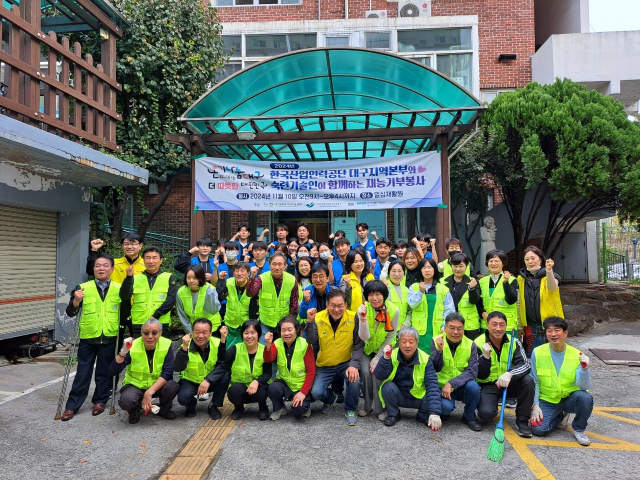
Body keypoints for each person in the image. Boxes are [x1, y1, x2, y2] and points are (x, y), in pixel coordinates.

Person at [60, 253, 129, 421]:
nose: (101, 268)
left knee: (104, 372)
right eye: (98, 265)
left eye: (105, 265)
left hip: (109, 336)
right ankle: (72, 405)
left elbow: (126, 311)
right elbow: (70, 312)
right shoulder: (83, 287)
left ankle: (100, 400)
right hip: (88, 336)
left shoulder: (119, 288)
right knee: (83, 373)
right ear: (93, 269)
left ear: (112, 269)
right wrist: (76, 300)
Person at [530, 317, 593, 446]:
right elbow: (535, 381)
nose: (553, 334)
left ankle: (579, 429)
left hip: (570, 398)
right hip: (548, 399)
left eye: (557, 330)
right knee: (538, 429)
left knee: (585, 398)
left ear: (565, 333)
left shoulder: (577, 354)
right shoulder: (537, 352)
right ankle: (559, 416)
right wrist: (535, 405)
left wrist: (585, 369)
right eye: (549, 331)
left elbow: (584, 386)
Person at [306, 290, 364, 426]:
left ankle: (350, 409)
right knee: (316, 392)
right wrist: (309, 322)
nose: (336, 309)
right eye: (333, 305)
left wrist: (354, 365)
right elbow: (310, 340)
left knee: (355, 380)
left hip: (346, 363)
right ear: (327, 304)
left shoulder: (353, 317)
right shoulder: (318, 317)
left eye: (340, 305)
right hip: (325, 364)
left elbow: (359, 344)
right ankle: (330, 397)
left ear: (346, 305)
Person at [475, 312, 534, 438]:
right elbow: (479, 374)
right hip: (488, 384)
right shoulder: (478, 343)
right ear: (487, 324)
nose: (498, 328)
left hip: (508, 383)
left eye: (502, 325)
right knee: (485, 415)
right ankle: (489, 403)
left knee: (528, 381)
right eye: (494, 324)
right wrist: (485, 357)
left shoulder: (514, 342)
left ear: (506, 326)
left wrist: (509, 374)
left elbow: (525, 365)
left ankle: (522, 421)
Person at [109, 319, 179, 424]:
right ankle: (135, 410)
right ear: (141, 333)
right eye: (146, 333)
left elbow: (167, 372)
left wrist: (149, 392)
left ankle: (162, 409)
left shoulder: (166, 344)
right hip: (135, 385)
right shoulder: (132, 346)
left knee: (172, 386)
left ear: (161, 333)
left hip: (156, 386)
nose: (150, 336)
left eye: (154, 333)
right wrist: (123, 352)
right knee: (126, 400)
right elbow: (113, 372)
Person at [374, 328, 442, 430]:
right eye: (404, 341)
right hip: (399, 395)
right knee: (387, 387)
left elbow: (432, 384)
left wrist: (435, 413)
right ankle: (393, 414)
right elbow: (379, 375)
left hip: (418, 397)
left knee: (433, 391)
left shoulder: (425, 358)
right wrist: (385, 359)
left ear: (417, 343)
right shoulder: (391, 354)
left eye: (411, 342)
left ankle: (423, 415)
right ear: (399, 342)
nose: (407, 345)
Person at [86, 233, 145, 341]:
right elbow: (91, 270)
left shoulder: (146, 265)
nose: (129, 247)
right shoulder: (114, 264)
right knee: (115, 343)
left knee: (139, 343)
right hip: (116, 308)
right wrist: (94, 251)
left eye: (133, 244)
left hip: (139, 310)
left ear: (140, 246)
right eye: (126, 244)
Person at [431, 313, 481, 431]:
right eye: (452, 328)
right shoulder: (436, 340)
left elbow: (472, 371)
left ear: (464, 329)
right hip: (442, 387)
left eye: (459, 329)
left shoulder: (470, 344)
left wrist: (451, 383)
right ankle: (445, 411)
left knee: (474, 387)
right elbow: (434, 367)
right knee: (445, 408)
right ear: (445, 328)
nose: (455, 332)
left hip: (461, 386)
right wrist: (439, 351)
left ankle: (469, 416)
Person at [356, 281, 399, 420]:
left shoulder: (393, 310)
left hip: (383, 349)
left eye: (378, 294)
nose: (374, 298)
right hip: (366, 349)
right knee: (365, 373)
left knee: (378, 373)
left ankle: (381, 408)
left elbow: (391, 336)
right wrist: (362, 319)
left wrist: (378, 357)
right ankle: (367, 406)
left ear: (384, 295)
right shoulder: (363, 308)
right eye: (371, 294)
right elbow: (364, 337)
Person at [174, 319, 229, 418]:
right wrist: (184, 349)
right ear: (192, 332)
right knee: (183, 398)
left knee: (225, 376)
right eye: (197, 332)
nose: (200, 336)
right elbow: (178, 367)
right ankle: (190, 406)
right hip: (191, 381)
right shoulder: (185, 346)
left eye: (204, 332)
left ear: (211, 333)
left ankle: (213, 405)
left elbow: (223, 364)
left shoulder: (218, 343)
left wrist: (208, 380)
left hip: (210, 381)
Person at [264, 316, 316, 420]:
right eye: (283, 330)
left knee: (299, 410)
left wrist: (303, 392)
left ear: (296, 330)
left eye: (289, 330)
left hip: (301, 385)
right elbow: (268, 359)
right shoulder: (277, 343)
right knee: (272, 388)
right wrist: (268, 345)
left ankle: (305, 406)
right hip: (285, 382)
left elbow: (311, 370)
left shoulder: (304, 344)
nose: (286, 333)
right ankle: (279, 408)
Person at [120, 246, 177, 338]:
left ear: (161, 260)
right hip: (139, 323)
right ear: (143, 260)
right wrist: (129, 278)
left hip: (161, 323)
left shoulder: (168, 277)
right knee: (139, 351)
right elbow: (124, 296)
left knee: (161, 351)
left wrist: (156, 315)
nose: (151, 261)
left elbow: (172, 299)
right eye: (148, 258)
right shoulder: (135, 278)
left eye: (154, 258)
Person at [517, 246, 563, 355]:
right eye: (527, 259)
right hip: (529, 325)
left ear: (540, 259)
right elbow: (519, 303)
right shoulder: (521, 278)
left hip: (549, 324)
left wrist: (549, 271)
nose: (530, 261)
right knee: (532, 356)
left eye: (533, 258)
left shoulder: (551, 275)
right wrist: (519, 325)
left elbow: (552, 287)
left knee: (549, 354)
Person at [246, 252, 299, 343]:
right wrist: (252, 277)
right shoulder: (261, 278)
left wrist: (290, 322)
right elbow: (250, 293)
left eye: (280, 264)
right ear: (269, 265)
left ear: (285, 266)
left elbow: (294, 303)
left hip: (284, 323)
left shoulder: (292, 280)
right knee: (263, 349)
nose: (277, 267)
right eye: (274, 264)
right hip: (266, 322)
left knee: (285, 350)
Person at [225, 319, 272, 420]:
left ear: (258, 334)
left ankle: (263, 408)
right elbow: (222, 358)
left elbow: (268, 373)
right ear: (242, 335)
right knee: (234, 391)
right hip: (240, 387)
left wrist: (257, 381)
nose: (249, 336)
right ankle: (238, 408)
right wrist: (222, 340)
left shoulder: (264, 350)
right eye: (246, 333)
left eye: (253, 333)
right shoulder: (235, 349)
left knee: (263, 390)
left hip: (258, 388)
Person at [407, 258, 455, 353]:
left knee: (436, 357)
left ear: (434, 270)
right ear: (420, 270)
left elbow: (450, 311)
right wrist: (420, 292)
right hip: (418, 332)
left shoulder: (443, 289)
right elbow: (412, 304)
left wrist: (444, 327)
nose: (427, 270)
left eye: (429, 267)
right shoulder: (414, 287)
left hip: (438, 331)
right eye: (424, 268)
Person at [441, 253, 482, 340]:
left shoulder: (473, 281)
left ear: (466, 266)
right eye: (455, 266)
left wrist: (472, 289)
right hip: (449, 323)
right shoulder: (442, 282)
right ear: (451, 266)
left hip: (469, 325)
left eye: (461, 266)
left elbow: (475, 301)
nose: (458, 269)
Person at [216, 261, 257, 348]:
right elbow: (220, 297)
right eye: (236, 271)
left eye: (242, 271)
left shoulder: (253, 284)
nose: (239, 273)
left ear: (248, 273)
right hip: (230, 325)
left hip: (246, 326)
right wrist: (221, 280)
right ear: (233, 272)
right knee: (228, 351)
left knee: (245, 351)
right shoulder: (228, 282)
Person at [479, 249, 518, 332]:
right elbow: (478, 301)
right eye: (491, 261)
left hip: (506, 325)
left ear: (503, 263)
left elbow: (511, 300)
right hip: (487, 325)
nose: (493, 264)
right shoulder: (482, 281)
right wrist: (482, 312)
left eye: (497, 261)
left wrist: (505, 283)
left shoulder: (512, 280)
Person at [176, 265, 221, 334]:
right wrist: (190, 332)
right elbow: (182, 315)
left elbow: (213, 310)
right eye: (188, 278)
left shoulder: (210, 289)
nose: (191, 281)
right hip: (194, 329)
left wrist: (209, 296)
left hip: (212, 328)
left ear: (200, 278)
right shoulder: (181, 292)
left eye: (194, 278)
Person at [385, 261, 411, 328]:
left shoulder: (406, 290)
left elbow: (410, 311)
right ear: (389, 273)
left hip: (402, 331)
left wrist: (405, 324)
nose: (397, 274)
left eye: (400, 271)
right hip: (388, 329)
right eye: (393, 271)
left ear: (404, 273)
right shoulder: (384, 287)